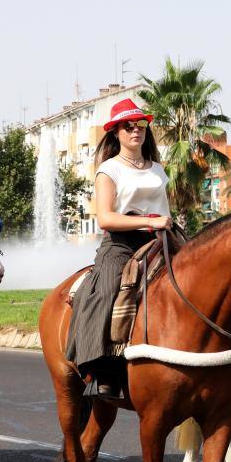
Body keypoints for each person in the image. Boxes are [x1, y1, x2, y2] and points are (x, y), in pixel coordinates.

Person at [67, 98, 172, 399]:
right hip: (121, 244)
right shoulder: (109, 170)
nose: (135, 130)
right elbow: (105, 217)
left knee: (210, 272)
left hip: (160, 239)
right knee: (107, 290)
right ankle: (100, 370)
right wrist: (149, 220)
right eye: (128, 126)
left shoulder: (157, 169)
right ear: (116, 132)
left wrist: (165, 222)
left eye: (140, 125)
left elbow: (164, 208)